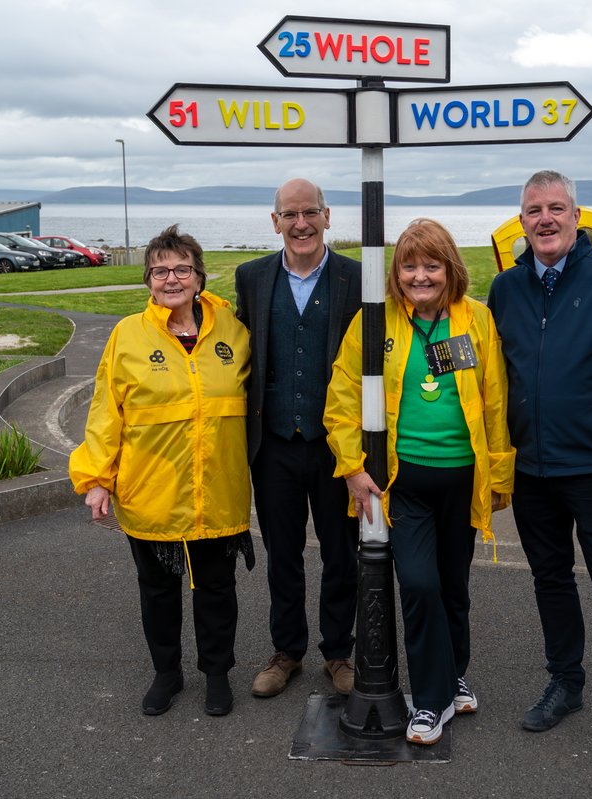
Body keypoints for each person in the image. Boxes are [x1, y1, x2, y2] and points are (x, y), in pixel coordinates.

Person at [486, 170, 592, 767]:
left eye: (556, 208)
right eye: (534, 210)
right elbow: (486, 373)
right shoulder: (506, 289)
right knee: (550, 579)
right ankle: (566, 681)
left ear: (576, 216)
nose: (545, 219)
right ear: (522, 219)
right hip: (531, 467)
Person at [325, 218, 514, 745]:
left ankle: (452, 676)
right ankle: (430, 703)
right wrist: (353, 467)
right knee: (420, 584)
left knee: (454, 587)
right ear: (396, 272)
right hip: (401, 484)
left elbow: (495, 400)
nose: (420, 275)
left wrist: (499, 475)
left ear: (450, 268)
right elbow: (342, 398)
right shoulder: (376, 322)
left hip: (462, 479)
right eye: (409, 265)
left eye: (431, 264)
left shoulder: (476, 320)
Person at [69, 225, 252, 717]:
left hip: (218, 488)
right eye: (160, 271)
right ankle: (166, 674)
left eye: (181, 269)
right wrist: (96, 479)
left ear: (198, 276)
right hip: (150, 490)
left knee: (217, 588)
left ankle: (217, 674)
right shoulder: (128, 335)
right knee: (158, 590)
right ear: (148, 280)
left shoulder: (232, 331)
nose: (171, 279)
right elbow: (106, 412)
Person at [235, 178, 361, 698]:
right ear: (275, 221)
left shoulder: (357, 278)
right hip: (274, 445)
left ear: (328, 216)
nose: (301, 223)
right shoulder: (251, 277)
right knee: (282, 553)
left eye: (311, 212)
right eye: (290, 214)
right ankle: (287, 651)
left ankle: (338, 653)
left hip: (337, 447)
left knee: (341, 553)